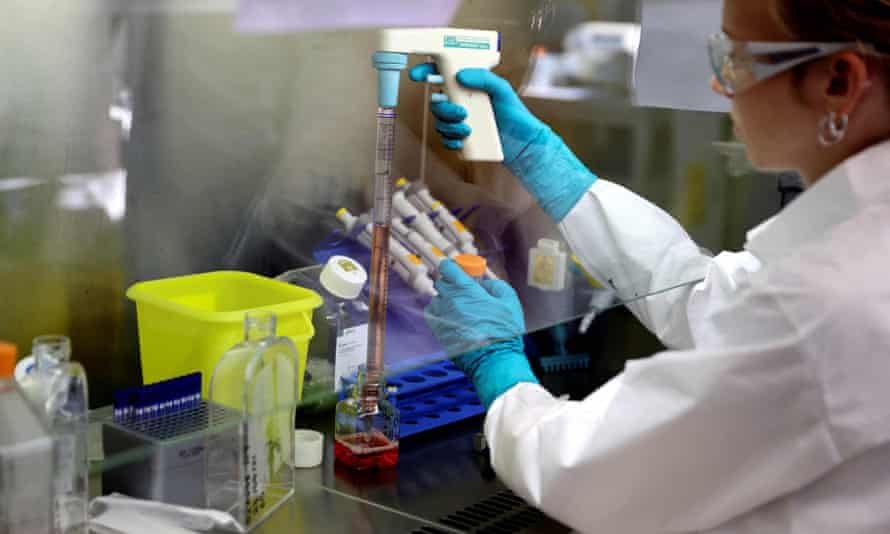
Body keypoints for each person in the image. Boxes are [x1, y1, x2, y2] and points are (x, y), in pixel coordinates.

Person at [419, 1, 890, 533]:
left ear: (839, 82)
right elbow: (718, 301)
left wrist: (500, 369)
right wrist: (549, 166)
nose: (720, 85)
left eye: (734, 58)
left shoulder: (832, 302)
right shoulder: (860, 243)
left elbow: (595, 475)